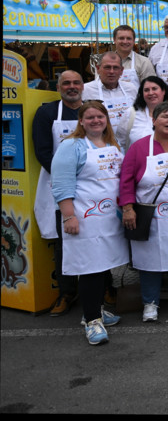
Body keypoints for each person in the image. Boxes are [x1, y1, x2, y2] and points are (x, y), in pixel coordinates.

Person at [50, 101, 126, 345]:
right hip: (84, 218)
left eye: (100, 117)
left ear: (106, 120)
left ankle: (97, 309)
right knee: (90, 268)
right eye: (90, 117)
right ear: (81, 121)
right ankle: (92, 320)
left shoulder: (113, 144)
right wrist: (69, 216)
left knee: (103, 266)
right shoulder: (71, 146)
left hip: (109, 219)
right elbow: (61, 184)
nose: (96, 121)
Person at [119, 101, 168, 322]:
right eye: (165, 116)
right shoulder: (139, 148)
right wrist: (127, 208)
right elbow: (126, 180)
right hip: (149, 216)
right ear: (153, 120)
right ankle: (150, 303)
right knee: (149, 260)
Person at [31, 70, 83, 315]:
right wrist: (67, 178)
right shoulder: (46, 113)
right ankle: (67, 292)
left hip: (91, 186)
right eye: (66, 83)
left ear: (83, 86)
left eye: (76, 83)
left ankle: (105, 288)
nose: (72, 87)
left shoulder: (92, 111)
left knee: (99, 237)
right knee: (65, 241)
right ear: (58, 87)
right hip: (59, 185)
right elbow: (42, 152)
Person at [82, 51, 138, 147]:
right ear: (98, 68)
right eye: (107, 67)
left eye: (115, 68)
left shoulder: (131, 89)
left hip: (130, 145)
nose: (111, 72)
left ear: (121, 70)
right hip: (99, 146)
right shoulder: (86, 90)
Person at [123, 76, 168, 150]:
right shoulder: (131, 113)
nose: (151, 93)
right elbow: (122, 141)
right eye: (146, 90)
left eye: (154, 89)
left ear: (163, 91)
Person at [111, 24, 155, 90]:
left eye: (129, 38)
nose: (125, 41)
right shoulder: (104, 62)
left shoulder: (144, 62)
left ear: (134, 41)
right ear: (114, 40)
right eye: (121, 38)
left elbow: (151, 88)